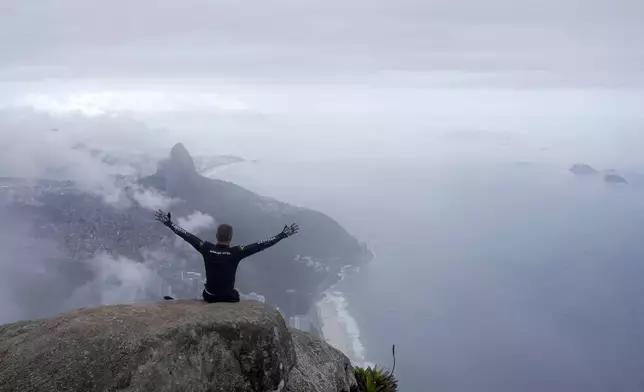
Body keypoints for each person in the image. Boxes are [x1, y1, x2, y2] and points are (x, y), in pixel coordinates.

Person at [154, 209, 299, 303]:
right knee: (236, 294)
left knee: (207, 292)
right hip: (228, 297)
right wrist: (282, 235)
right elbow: (261, 244)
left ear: (216, 236)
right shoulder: (236, 252)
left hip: (209, 296)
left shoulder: (206, 248)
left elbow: (186, 235)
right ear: (231, 238)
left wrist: (169, 223)